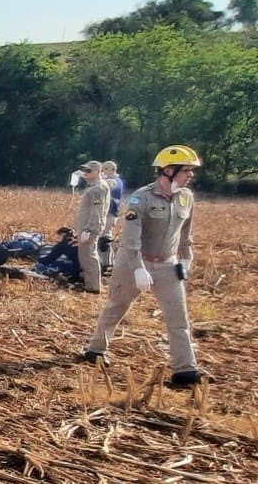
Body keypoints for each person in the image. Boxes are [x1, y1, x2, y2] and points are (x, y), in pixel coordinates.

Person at [80, 145, 205, 388]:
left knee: (179, 319)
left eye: (191, 171)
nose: (190, 175)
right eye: (186, 171)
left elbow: (186, 234)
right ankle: (95, 349)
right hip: (133, 263)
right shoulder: (142, 198)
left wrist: (186, 258)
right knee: (116, 306)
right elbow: (130, 238)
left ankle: (185, 370)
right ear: (168, 170)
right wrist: (138, 268)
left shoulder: (186, 198)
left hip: (168, 266)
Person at [73, 160, 111, 293]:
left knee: (89, 256)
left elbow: (97, 212)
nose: (86, 173)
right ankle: (90, 282)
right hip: (87, 227)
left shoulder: (97, 188)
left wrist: (89, 229)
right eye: (85, 171)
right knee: (85, 256)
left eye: (89, 171)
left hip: (90, 228)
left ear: (97, 172)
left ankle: (93, 286)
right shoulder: (95, 185)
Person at [99, 161, 125, 274]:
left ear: (112, 170)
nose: (103, 171)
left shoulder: (115, 181)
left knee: (105, 240)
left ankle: (108, 265)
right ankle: (105, 263)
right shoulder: (112, 180)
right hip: (108, 213)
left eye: (105, 169)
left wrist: (97, 177)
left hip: (110, 214)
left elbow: (109, 185)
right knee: (103, 239)